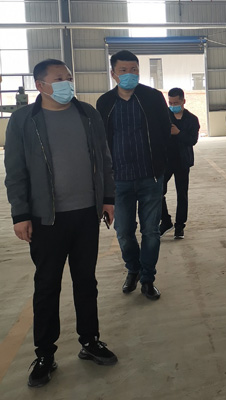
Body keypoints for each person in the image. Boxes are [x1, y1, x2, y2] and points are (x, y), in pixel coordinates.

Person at [4, 59, 118, 387]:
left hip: (86, 214)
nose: (67, 83)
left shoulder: (87, 114)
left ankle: (90, 341)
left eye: (69, 77)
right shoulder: (24, 120)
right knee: (47, 285)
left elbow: (104, 158)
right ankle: (45, 354)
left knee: (86, 282)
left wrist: (107, 198)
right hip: (46, 219)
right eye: (59, 78)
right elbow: (15, 170)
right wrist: (20, 214)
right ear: (40, 85)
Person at [96, 50, 171, 301]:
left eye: (134, 70)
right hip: (119, 180)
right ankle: (133, 269)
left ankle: (148, 278)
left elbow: (165, 132)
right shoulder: (105, 102)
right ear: (113, 73)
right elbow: (101, 142)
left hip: (150, 177)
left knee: (151, 231)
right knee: (124, 231)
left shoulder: (153, 97)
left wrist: (161, 167)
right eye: (124, 70)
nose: (130, 74)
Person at [159, 87, 200, 240]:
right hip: (166, 161)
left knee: (182, 194)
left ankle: (180, 226)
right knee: (158, 191)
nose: (173, 105)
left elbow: (192, 140)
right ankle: (165, 221)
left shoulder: (192, 119)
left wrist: (179, 133)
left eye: (176, 103)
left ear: (183, 101)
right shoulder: (164, 116)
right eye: (170, 103)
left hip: (183, 161)